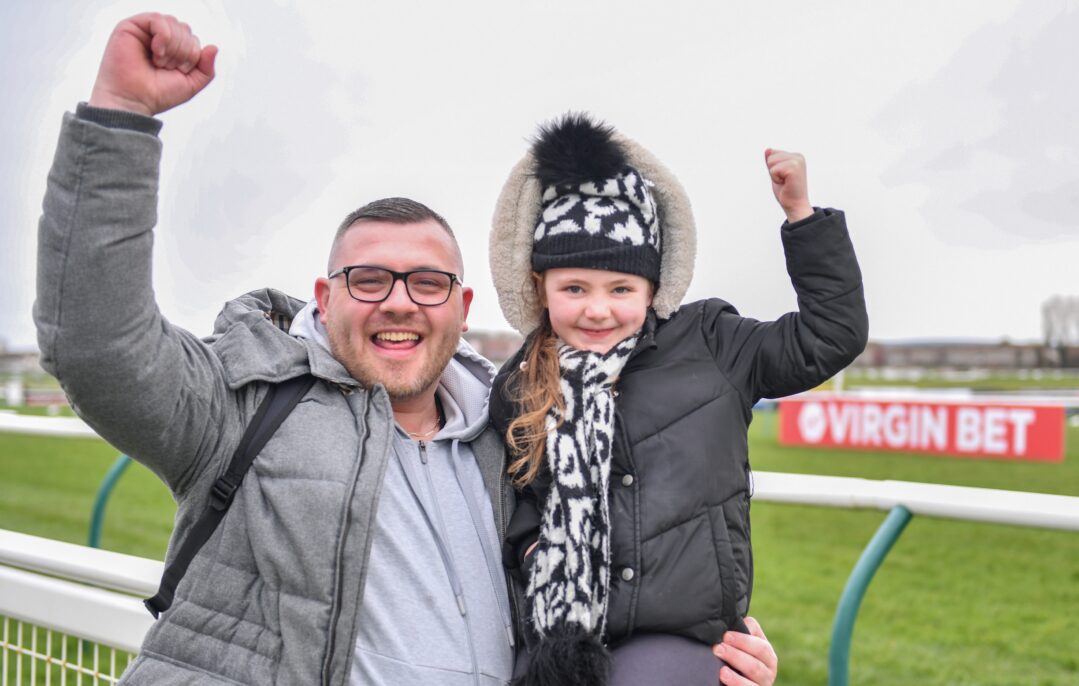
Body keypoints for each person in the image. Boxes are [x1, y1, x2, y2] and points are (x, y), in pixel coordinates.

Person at [34, 13, 782, 685]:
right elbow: (100, 347)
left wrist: (705, 658)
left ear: (461, 309)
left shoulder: (512, 433)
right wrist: (122, 118)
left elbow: (612, 575)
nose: (397, 301)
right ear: (323, 302)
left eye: (426, 283)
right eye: (368, 280)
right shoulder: (244, 407)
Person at [487, 114, 869, 685]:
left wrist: (802, 217)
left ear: (653, 287)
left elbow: (829, 337)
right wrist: (540, 551)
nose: (598, 309)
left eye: (621, 289)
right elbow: (515, 510)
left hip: (680, 639)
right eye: (574, 288)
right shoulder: (517, 386)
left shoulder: (712, 342)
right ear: (540, 287)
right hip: (560, 643)